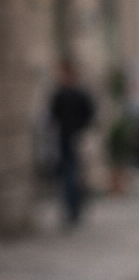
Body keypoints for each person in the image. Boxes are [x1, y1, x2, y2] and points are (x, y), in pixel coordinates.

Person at [48, 60, 96, 227]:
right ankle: (73, 206)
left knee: (72, 173)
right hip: (67, 137)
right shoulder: (64, 94)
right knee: (71, 173)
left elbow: (89, 113)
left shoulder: (73, 94)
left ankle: (75, 206)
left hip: (73, 137)